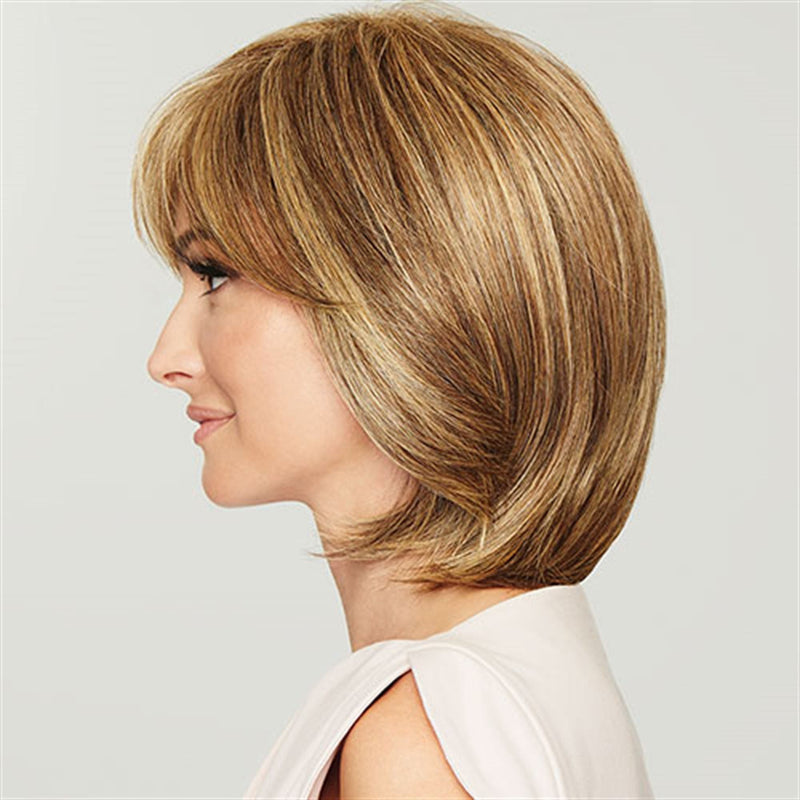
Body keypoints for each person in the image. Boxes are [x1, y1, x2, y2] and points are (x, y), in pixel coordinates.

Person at [131, 1, 666, 797]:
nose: (166, 360)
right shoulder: (527, 676)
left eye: (215, 274)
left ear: (408, 298)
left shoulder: (422, 735)